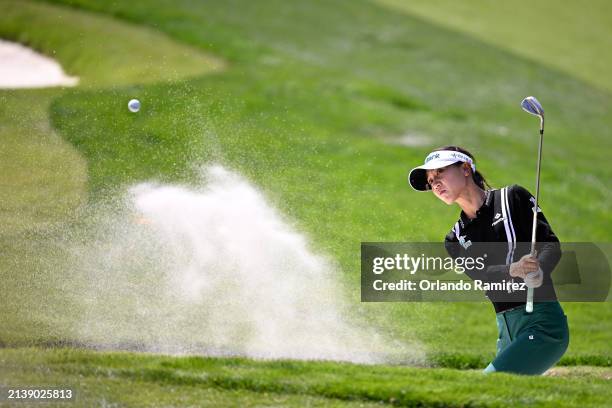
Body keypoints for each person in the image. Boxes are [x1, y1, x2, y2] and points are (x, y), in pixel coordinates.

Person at [407, 145, 569, 375]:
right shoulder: (455, 238)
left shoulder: (512, 197)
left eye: (440, 173)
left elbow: (550, 244)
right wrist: (513, 269)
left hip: (541, 325)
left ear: (465, 169)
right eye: (431, 180)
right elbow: (482, 277)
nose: (435, 183)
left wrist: (540, 269)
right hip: (505, 331)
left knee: (488, 386)